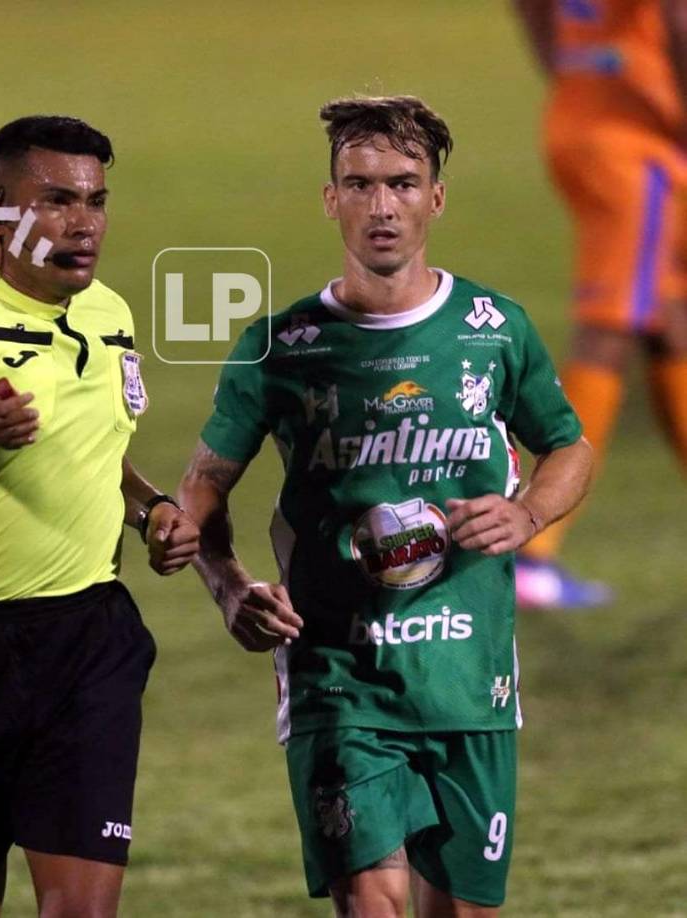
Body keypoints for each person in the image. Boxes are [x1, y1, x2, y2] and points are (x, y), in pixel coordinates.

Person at [178, 96, 593, 917]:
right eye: (358, 184)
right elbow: (203, 485)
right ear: (330, 198)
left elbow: (568, 446)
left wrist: (527, 516)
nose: (381, 205)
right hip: (340, 678)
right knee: (371, 906)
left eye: (402, 183)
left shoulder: (492, 329)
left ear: (435, 197)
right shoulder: (280, 346)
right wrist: (228, 587)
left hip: (467, 681)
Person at [0, 115, 199, 918]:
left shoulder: (110, 314)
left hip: (84, 641)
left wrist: (149, 507)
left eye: (95, 200)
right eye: (55, 200)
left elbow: (96, 449)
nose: (83, 222)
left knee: (84, 909)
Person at [513, 0, 687, 607]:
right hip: (639, 141)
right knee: (610, 329)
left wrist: (572, 72)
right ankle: (530, 551)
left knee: (666, 320)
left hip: (580, 119)